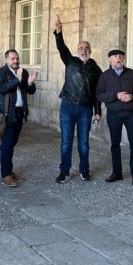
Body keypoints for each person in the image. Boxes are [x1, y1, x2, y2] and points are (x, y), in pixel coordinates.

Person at [53, 15, 102, 183]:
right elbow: (61, 47)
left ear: (90, 50)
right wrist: (59, 32)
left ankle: (84, 170)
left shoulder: (96, 69)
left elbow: (98, 93)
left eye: (86, 48)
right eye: (81, 47)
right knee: (66, 142)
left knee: (84, 143)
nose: (84, 50)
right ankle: (64, 172)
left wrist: (98, 111)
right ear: (77, 50)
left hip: (85, 109)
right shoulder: (70, 61)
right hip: (67, 106)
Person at [96, 48, 133, 186]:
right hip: (114, 114)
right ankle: (117, 172)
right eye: (115, 56)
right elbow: (99, 95)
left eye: (121, 56)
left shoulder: (132, 73)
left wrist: (132, 95)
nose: (119, 58)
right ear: (110, 59)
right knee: (115, 144)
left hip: (131, 114)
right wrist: (115, 95)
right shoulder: (105, 76)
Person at [0, 49, 37, 187]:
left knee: (12, 143)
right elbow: (0, 88)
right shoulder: (1, 72)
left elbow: (30, 90)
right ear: (7, 59)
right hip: (7, 113)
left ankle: (9, 170)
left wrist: (29, 82)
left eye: (17, 58)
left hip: (19, 112)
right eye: (13, 58)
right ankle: (5, 175)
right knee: (7, 144)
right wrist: (17, 79)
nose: (16, 61)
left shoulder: (22, 71)